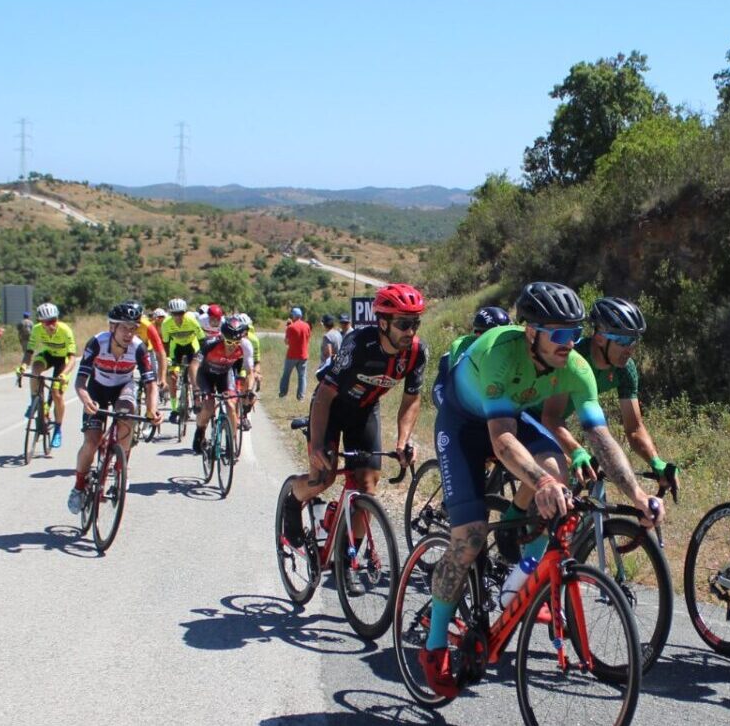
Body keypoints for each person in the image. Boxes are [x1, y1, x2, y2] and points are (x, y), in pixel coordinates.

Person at [416, 281, 662, 693]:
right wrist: (541, 481)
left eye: (575, 334)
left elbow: (601, 436)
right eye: (560, 334)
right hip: (465, 425)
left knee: (559, 470)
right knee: (470, 537)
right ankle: (435, 641)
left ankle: (524, 572)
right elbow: (500, 441)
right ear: (531, 332)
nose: (570, 344)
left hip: (510, 418)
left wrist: (637, 494)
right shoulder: (500, 352)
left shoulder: (575, 368)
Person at [281, 285, 430, 545]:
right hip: (331, 408)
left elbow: (411, 399)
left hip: (364, 411)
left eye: (415, 323)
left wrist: (403, 440)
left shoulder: (417, 352)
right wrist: (317, 445)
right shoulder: (359, 344)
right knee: (323, 480)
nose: (411, 332)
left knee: (367, 487)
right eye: (404, 324)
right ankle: (293, 499)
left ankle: (347, 562)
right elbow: (325, 394)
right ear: (383, 323)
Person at [534, 297, 677, 493]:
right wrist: (577, 452)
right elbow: (550, 417)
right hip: (531, 414)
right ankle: (515, 518)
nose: (630, 349)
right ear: (600, 337)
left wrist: (656, 461)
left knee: (590, 480)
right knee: (556, 475)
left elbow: (634, 428)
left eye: (633, 341)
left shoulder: (625, 370)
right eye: (623, 340)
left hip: (553, 420)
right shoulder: (573, 359)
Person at [67, 301, 160, 514]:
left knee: (127, 417)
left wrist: (152, 410)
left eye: (133, 328)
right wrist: (85, 399)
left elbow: (150, 383)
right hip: (97, 388)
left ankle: (120, 469)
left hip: (123, 387)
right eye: (124, 327)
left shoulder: (138, 347)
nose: (129, 333)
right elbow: (80, 382)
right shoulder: (96, 344)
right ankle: (79, 486)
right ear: (112, 327)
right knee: (91, 441)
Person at [193, 312, 258, 452]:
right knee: (209, 407)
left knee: (231, 404)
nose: (232, 346)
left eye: (236, 342)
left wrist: (249, 391)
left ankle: (231, 441)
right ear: (222, 337)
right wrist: (196, 388)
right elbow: (194, 366)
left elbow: (250, 372)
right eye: (229, 342)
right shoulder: (211, 343)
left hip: (224, 374)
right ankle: (200, 430)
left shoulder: (246, 345)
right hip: (206, 375)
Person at [27, 303, 78, 450]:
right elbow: (29, 351)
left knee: (56, 393)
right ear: (41, 322)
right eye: (47, 322)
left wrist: (64, 374)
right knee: (34, 371)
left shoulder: (65, 330)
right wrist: (23, 365)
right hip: (48, 356)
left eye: (54, 320)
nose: (51, 325)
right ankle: (34, 401)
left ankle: (57, 429)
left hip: (63, 361)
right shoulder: (36, 330)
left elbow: (73, 357)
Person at [162, 298, 204, 420]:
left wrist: (202, 356)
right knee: (172, 377)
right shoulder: (166, 324)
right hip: (177, 348)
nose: (178, 316)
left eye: (181, 313)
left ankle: (196, 395)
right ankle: (174, 409)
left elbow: (202, 340)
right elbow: (165, 344)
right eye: (175, 314)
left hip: (192, 346)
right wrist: (167, 359)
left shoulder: (191, 320)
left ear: (185, 312)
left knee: (193, 369)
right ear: (170, 314)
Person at [281, 306, 312, 401]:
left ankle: (283, 394)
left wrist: (288, 327)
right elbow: (308, 338)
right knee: (302, 377)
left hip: (291, 355)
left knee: (286, 375)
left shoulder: (291, 327)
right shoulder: (307, 326)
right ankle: (301, 397)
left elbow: (286, 342)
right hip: (303, 355)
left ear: (294, 316)